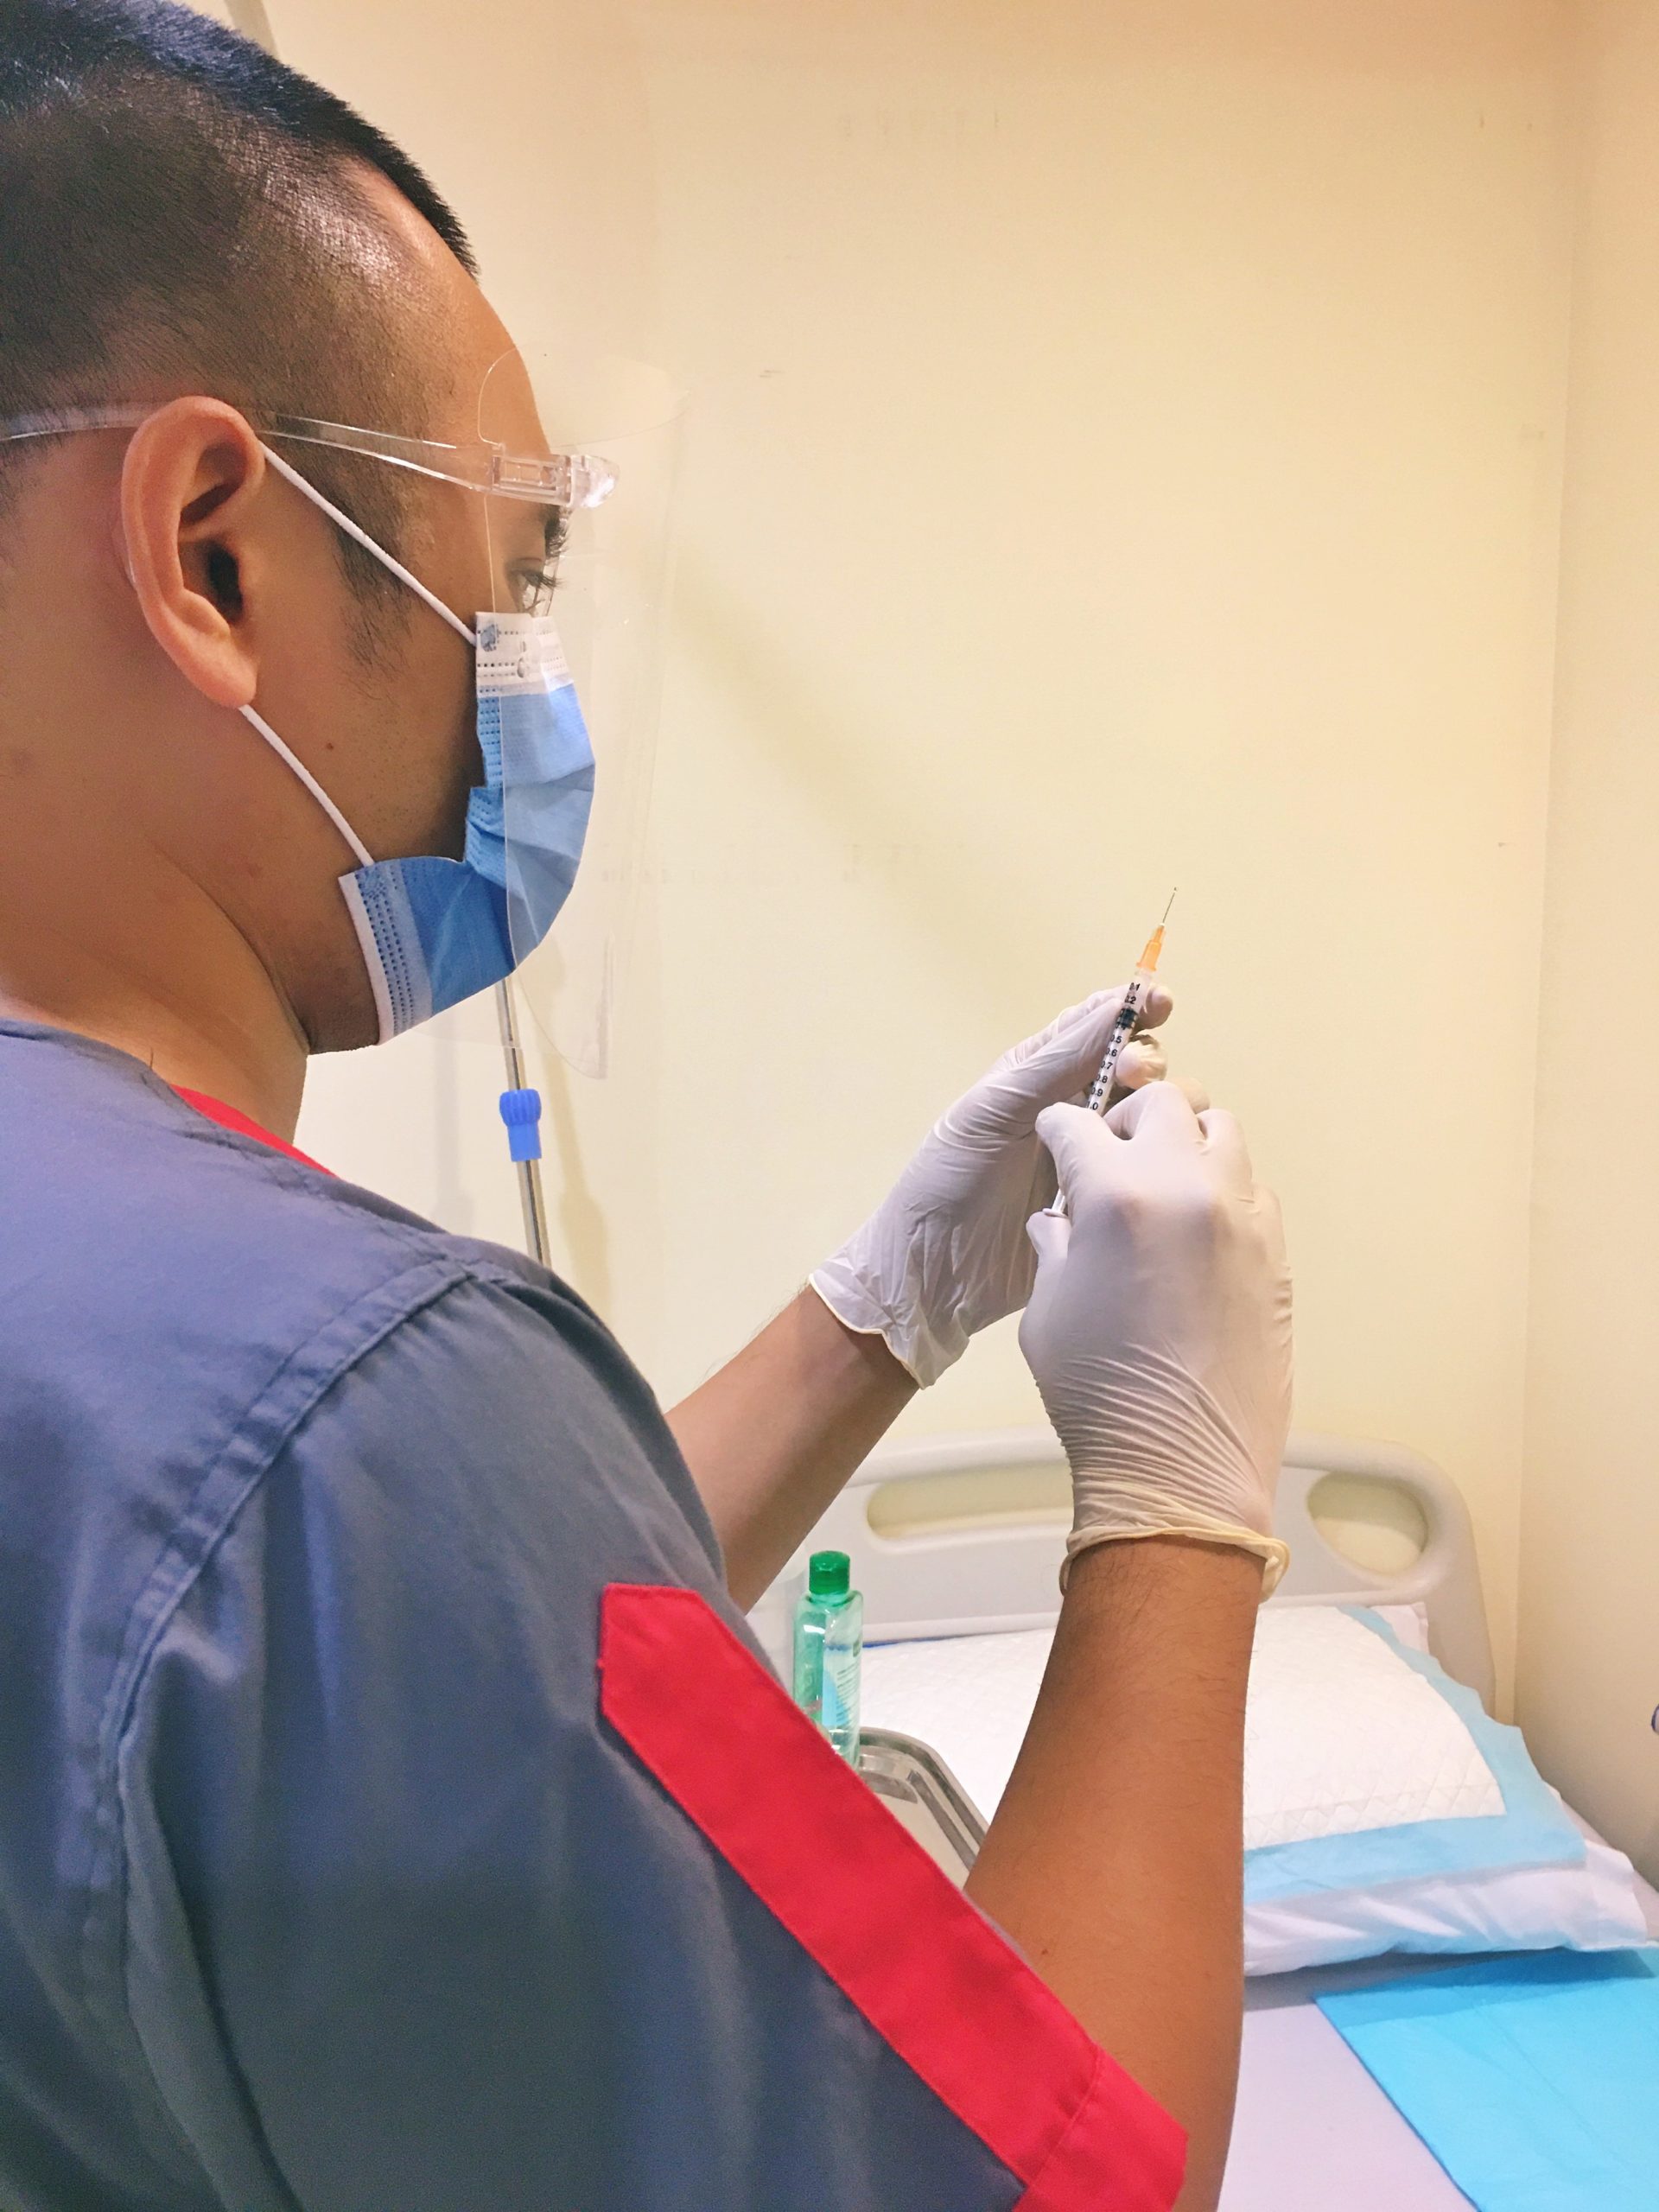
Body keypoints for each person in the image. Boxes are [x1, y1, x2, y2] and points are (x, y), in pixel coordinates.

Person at [0, 4, 1293, 2209]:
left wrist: (880, 1314)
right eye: (508, 588)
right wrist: (1183, 1506)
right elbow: (1062, 2180)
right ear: (213, 555)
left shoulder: (169, 1358)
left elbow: (411, 1668)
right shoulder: (350, 1409)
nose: (536, 700)